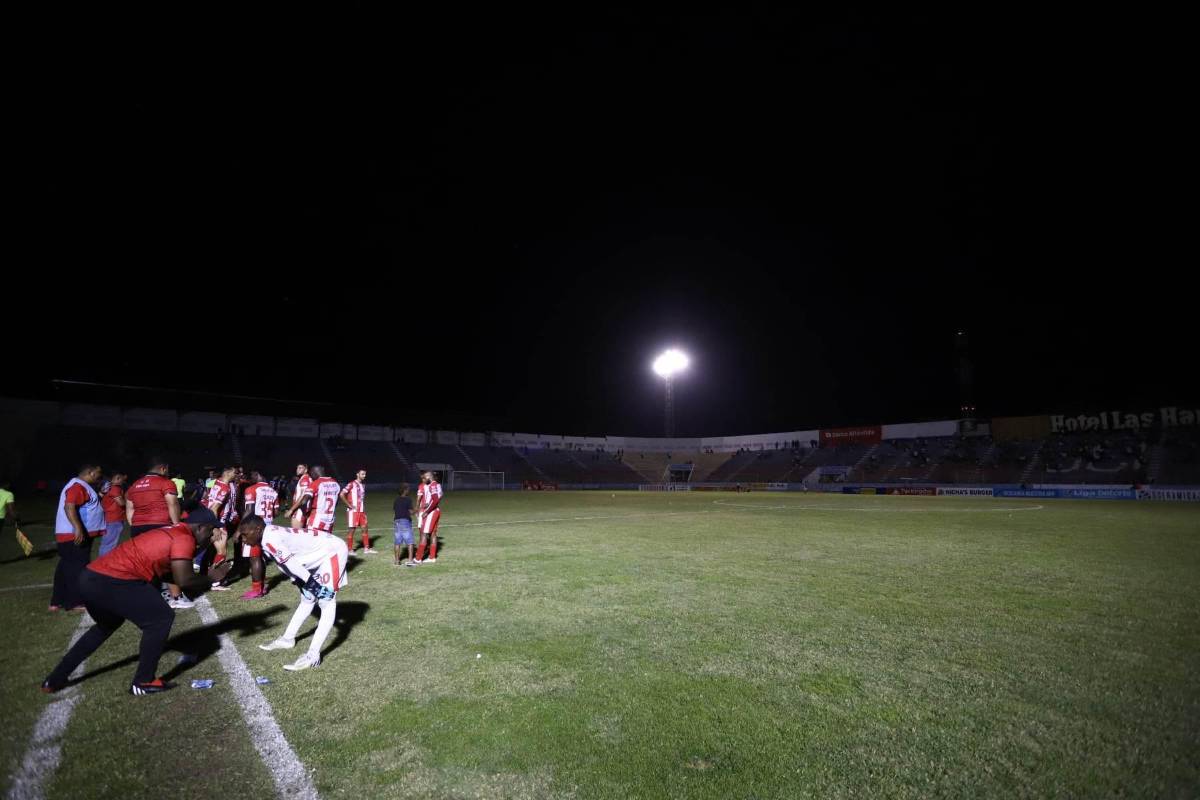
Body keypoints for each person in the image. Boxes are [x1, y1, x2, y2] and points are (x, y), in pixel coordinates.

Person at [40, 508, 230, 696]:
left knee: (105, 626)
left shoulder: (174, 531)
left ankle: (55, 678)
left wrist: (211, 558)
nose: (213, 536)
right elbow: (185, 580)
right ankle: (143, 681)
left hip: (90, 578)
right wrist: (212, 577)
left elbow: (168, 573)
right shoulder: (184, 538)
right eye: (213, 531)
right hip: (114, 579)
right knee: (160, 619)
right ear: (202, 527)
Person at [239, 515, 348, 671]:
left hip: (332, 551)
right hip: (318, 554)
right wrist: (299, 581)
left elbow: (290, 562)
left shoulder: (269, 538)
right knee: (307, 598)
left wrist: (311, 583)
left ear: (257, 529)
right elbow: (284, 564)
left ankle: (313, 655)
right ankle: (288, 639)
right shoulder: (265, 536)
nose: (243, 538)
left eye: (245, 533)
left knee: (326, 601)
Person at [51, 464, 106, 612]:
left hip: (71, 534)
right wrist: (78, 528)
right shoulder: (78, 485)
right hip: (74, 535)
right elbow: (69, 506)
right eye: (98, 473)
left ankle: (57, 601)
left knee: (65, 567)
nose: (100, 476)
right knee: (77, 568)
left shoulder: (82, 485)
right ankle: (75, 602)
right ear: (90, 472)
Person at [287, 465, 339, 534]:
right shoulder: (335, 483)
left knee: (311, 541)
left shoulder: (316, 483)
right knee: (325, 542)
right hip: (330, 519)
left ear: (314, 473)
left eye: (311, 474)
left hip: (317, 519)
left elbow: (304, 501)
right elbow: (336, 502)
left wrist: (295, 511)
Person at [340, 469, 375, 554]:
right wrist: (349, 505)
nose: (364, 476)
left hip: (361, 511)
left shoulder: (363, 485)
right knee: (351, 530)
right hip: (353, 511)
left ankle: (367, 549)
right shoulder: (351, 484)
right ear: (357, 474)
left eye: (365, 474)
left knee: (365, 529)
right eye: (362, 474)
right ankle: (349, 550)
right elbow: (341, 494)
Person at [413, 471, 443, 564]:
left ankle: (418, 559)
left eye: (425, 478)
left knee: (423, 535)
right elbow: (440, 496)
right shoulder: (438, 485)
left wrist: (427, 511)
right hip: (436, 511)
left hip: (430, 512)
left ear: (429, 477)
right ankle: (432, 557)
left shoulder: (432, 485)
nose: (423, 479)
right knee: (433, 535)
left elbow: (435, 500)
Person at [99, 472, 128, 556]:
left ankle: (103, 562)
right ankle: (103, 563)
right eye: (122, 479)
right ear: (118, 478)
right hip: (114, 519)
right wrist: (130, 503)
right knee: (109, 544)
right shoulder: (115, 488)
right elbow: (121, 503)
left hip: (109, 517)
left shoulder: (107, 487)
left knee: (108, 542)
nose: (123, 481)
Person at [392, 483, 415, 566]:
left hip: (396, 522)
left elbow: (395, 510)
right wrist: (417, 510)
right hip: (405, 522)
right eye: (408, 489)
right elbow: (411, 512)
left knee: (397, 543)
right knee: (410, 542)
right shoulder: (408, 500)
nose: (409, 491)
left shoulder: (396, 500)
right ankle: (410, 561)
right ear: (405, 490)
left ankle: (397, 561)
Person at [290, 463, 311, 529]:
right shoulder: (308, 478)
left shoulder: (304, 479)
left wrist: (291, 509)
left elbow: (302, 496)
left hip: (300, 510)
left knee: (296, 535)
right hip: (306, 510)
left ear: (306, 470)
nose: (297, 470)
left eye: (300, 468)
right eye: (297, 468)